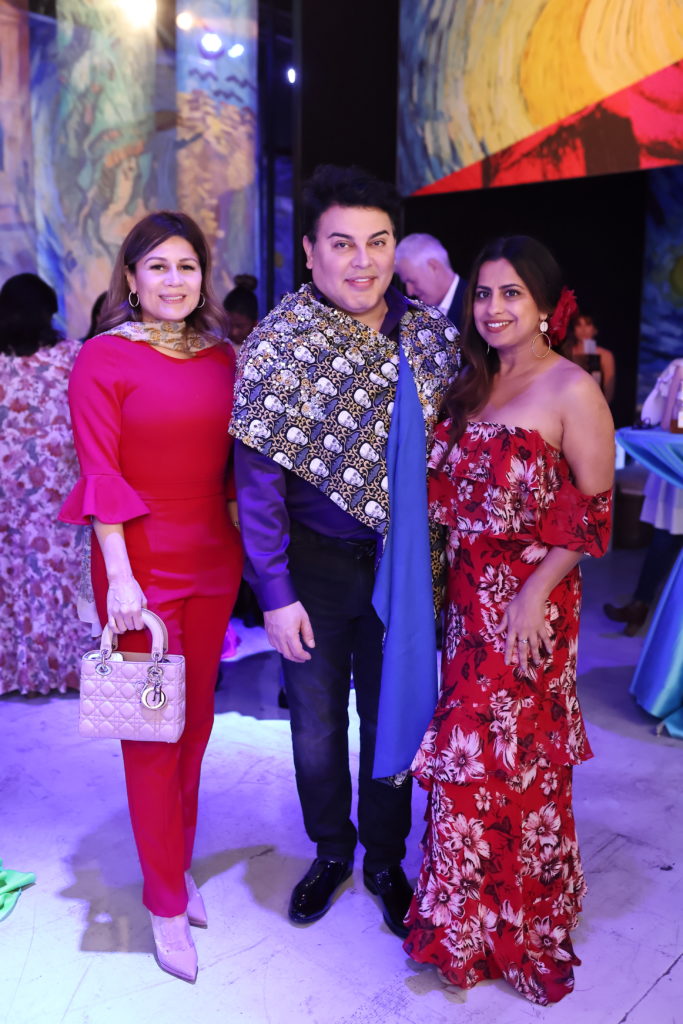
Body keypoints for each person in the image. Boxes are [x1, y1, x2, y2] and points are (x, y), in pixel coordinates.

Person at [231, 165, 460, 937]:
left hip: (408, 567)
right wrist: (274, 592)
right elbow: (257, 484)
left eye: (377, 242)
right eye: (341, 244)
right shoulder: (279, 345)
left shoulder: (433, 341)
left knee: (396, 713)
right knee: (318, 726)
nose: (362, 261)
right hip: (315, 570)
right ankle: (331, 851)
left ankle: (385, 859)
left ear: (395, 247)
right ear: (308, 251)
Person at [403, 236, 614, 1005]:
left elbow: (593, 510)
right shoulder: (472, 383)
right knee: (470, 763)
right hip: (466, 606)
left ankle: (520, 927)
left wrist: (533, 592)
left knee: (509, 764)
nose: (492, 308)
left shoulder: (571, 388)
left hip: (531, 609)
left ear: (545, 305)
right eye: (484, 294)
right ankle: (461, 926)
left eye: (511, 293)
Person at [60, 211, 243, 983]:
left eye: (187, 266)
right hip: (137, 566)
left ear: (204, 277)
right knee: (149, 735)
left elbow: (238, 471)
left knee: (194, 726)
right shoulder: (102, 358)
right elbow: (100, 473)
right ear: (131, 278)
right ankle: (164, 899)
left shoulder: (223, 356)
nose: (174, 280)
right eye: (158, 266)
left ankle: (175, 861)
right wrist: (120, 578)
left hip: (213, 558)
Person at [0, 273, 89, 694]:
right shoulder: (71, 357)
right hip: (52, 492)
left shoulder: (70, 357)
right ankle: (59, 667)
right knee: (55, 577)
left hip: (19, 495)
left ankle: (25, 669)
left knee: (20, 579)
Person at [604, 357, 683, 634]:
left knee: (664, 542)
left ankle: (643, 610)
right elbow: (661, 420)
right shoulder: (679, 368)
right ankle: (640, 607)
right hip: (676, 468)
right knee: (663, 541)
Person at [395, 232, 467, 330]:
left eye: (412, 281)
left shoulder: (473, 306)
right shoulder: (417, 314)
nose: (409, 292)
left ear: (433, 267)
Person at [561, 313, 616, 404]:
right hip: (569, 403)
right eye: (579, 325)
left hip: (596, 404)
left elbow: (609, 388)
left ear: (595, 329)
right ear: (574, 329)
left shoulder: (605, 355)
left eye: (588, 324)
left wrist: (600, 407)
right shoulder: (567, 353)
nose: (583, 330)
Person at [223, 273, 258, 349]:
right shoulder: (215, 346)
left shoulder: (263, 349)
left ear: (255, 324)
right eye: (228, 325)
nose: (234, 332)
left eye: (240, 326)